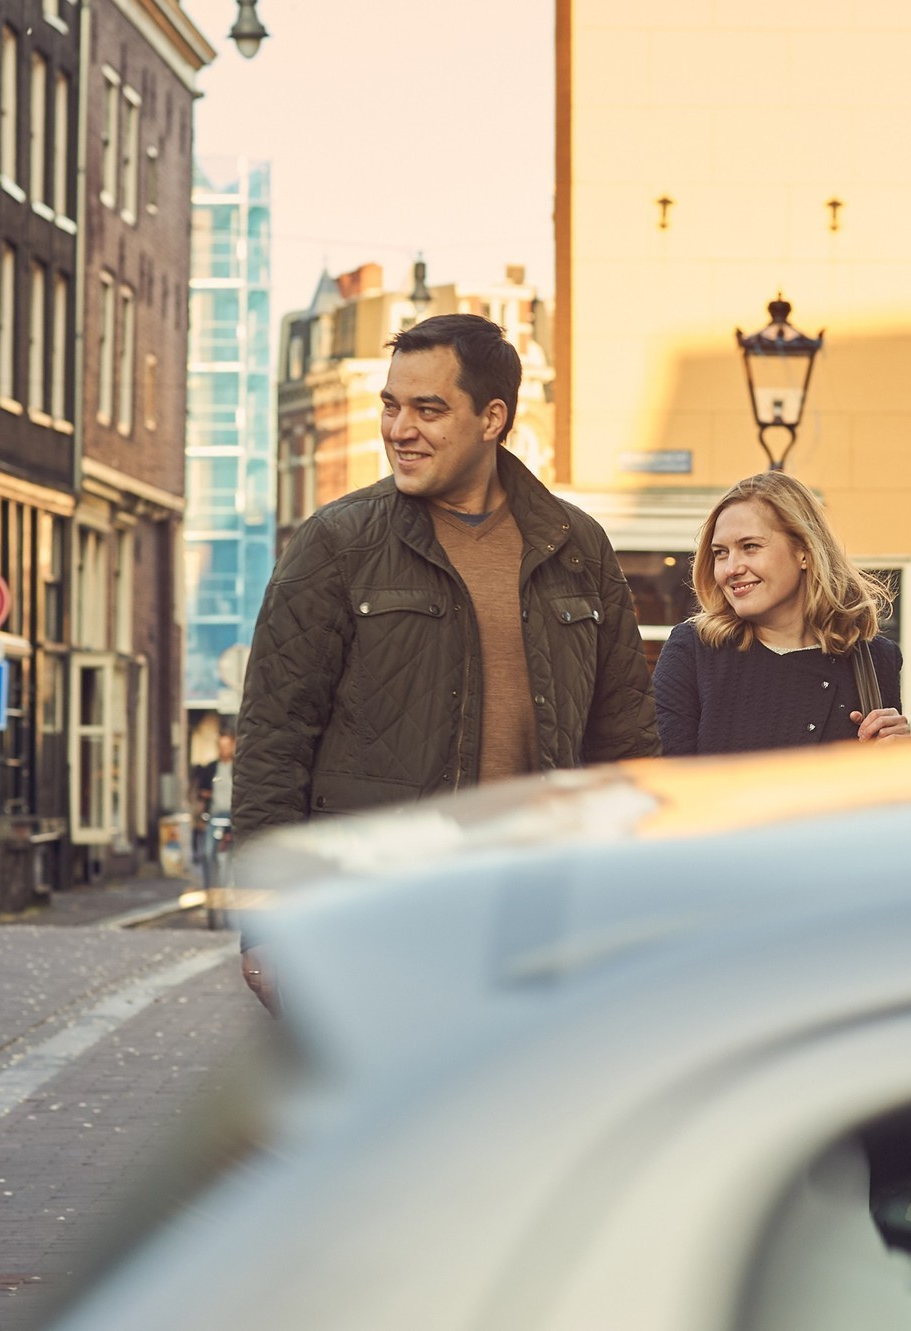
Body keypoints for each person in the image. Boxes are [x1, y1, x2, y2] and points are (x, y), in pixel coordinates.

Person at [232, 314, 659, 1011]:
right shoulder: (336, 545)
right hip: (375, 916)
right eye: (391, 405)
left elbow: (627, 746)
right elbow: (272, 744)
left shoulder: (577, 546)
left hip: (541, 921)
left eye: (429, 409)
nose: (400, 429)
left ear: (493, 418)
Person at [654, 471, 910, 756]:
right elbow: (665, 784)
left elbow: (876, 794)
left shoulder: (874, 660)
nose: (731, 569)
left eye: (750, 547)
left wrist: (897, 760)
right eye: (720, 553)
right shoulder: (694, 651)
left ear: (804, 551)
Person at [190, 731, 236, 889]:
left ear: (233, 746)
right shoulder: (211, 768)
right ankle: (211, 888)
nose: (224, 749)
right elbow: (201, 790)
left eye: (227, 746)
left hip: (234, 815)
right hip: (215, 815)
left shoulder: (238, 768)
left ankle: (233, 885)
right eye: (221, 746)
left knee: (236, 853)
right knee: (208, 852)